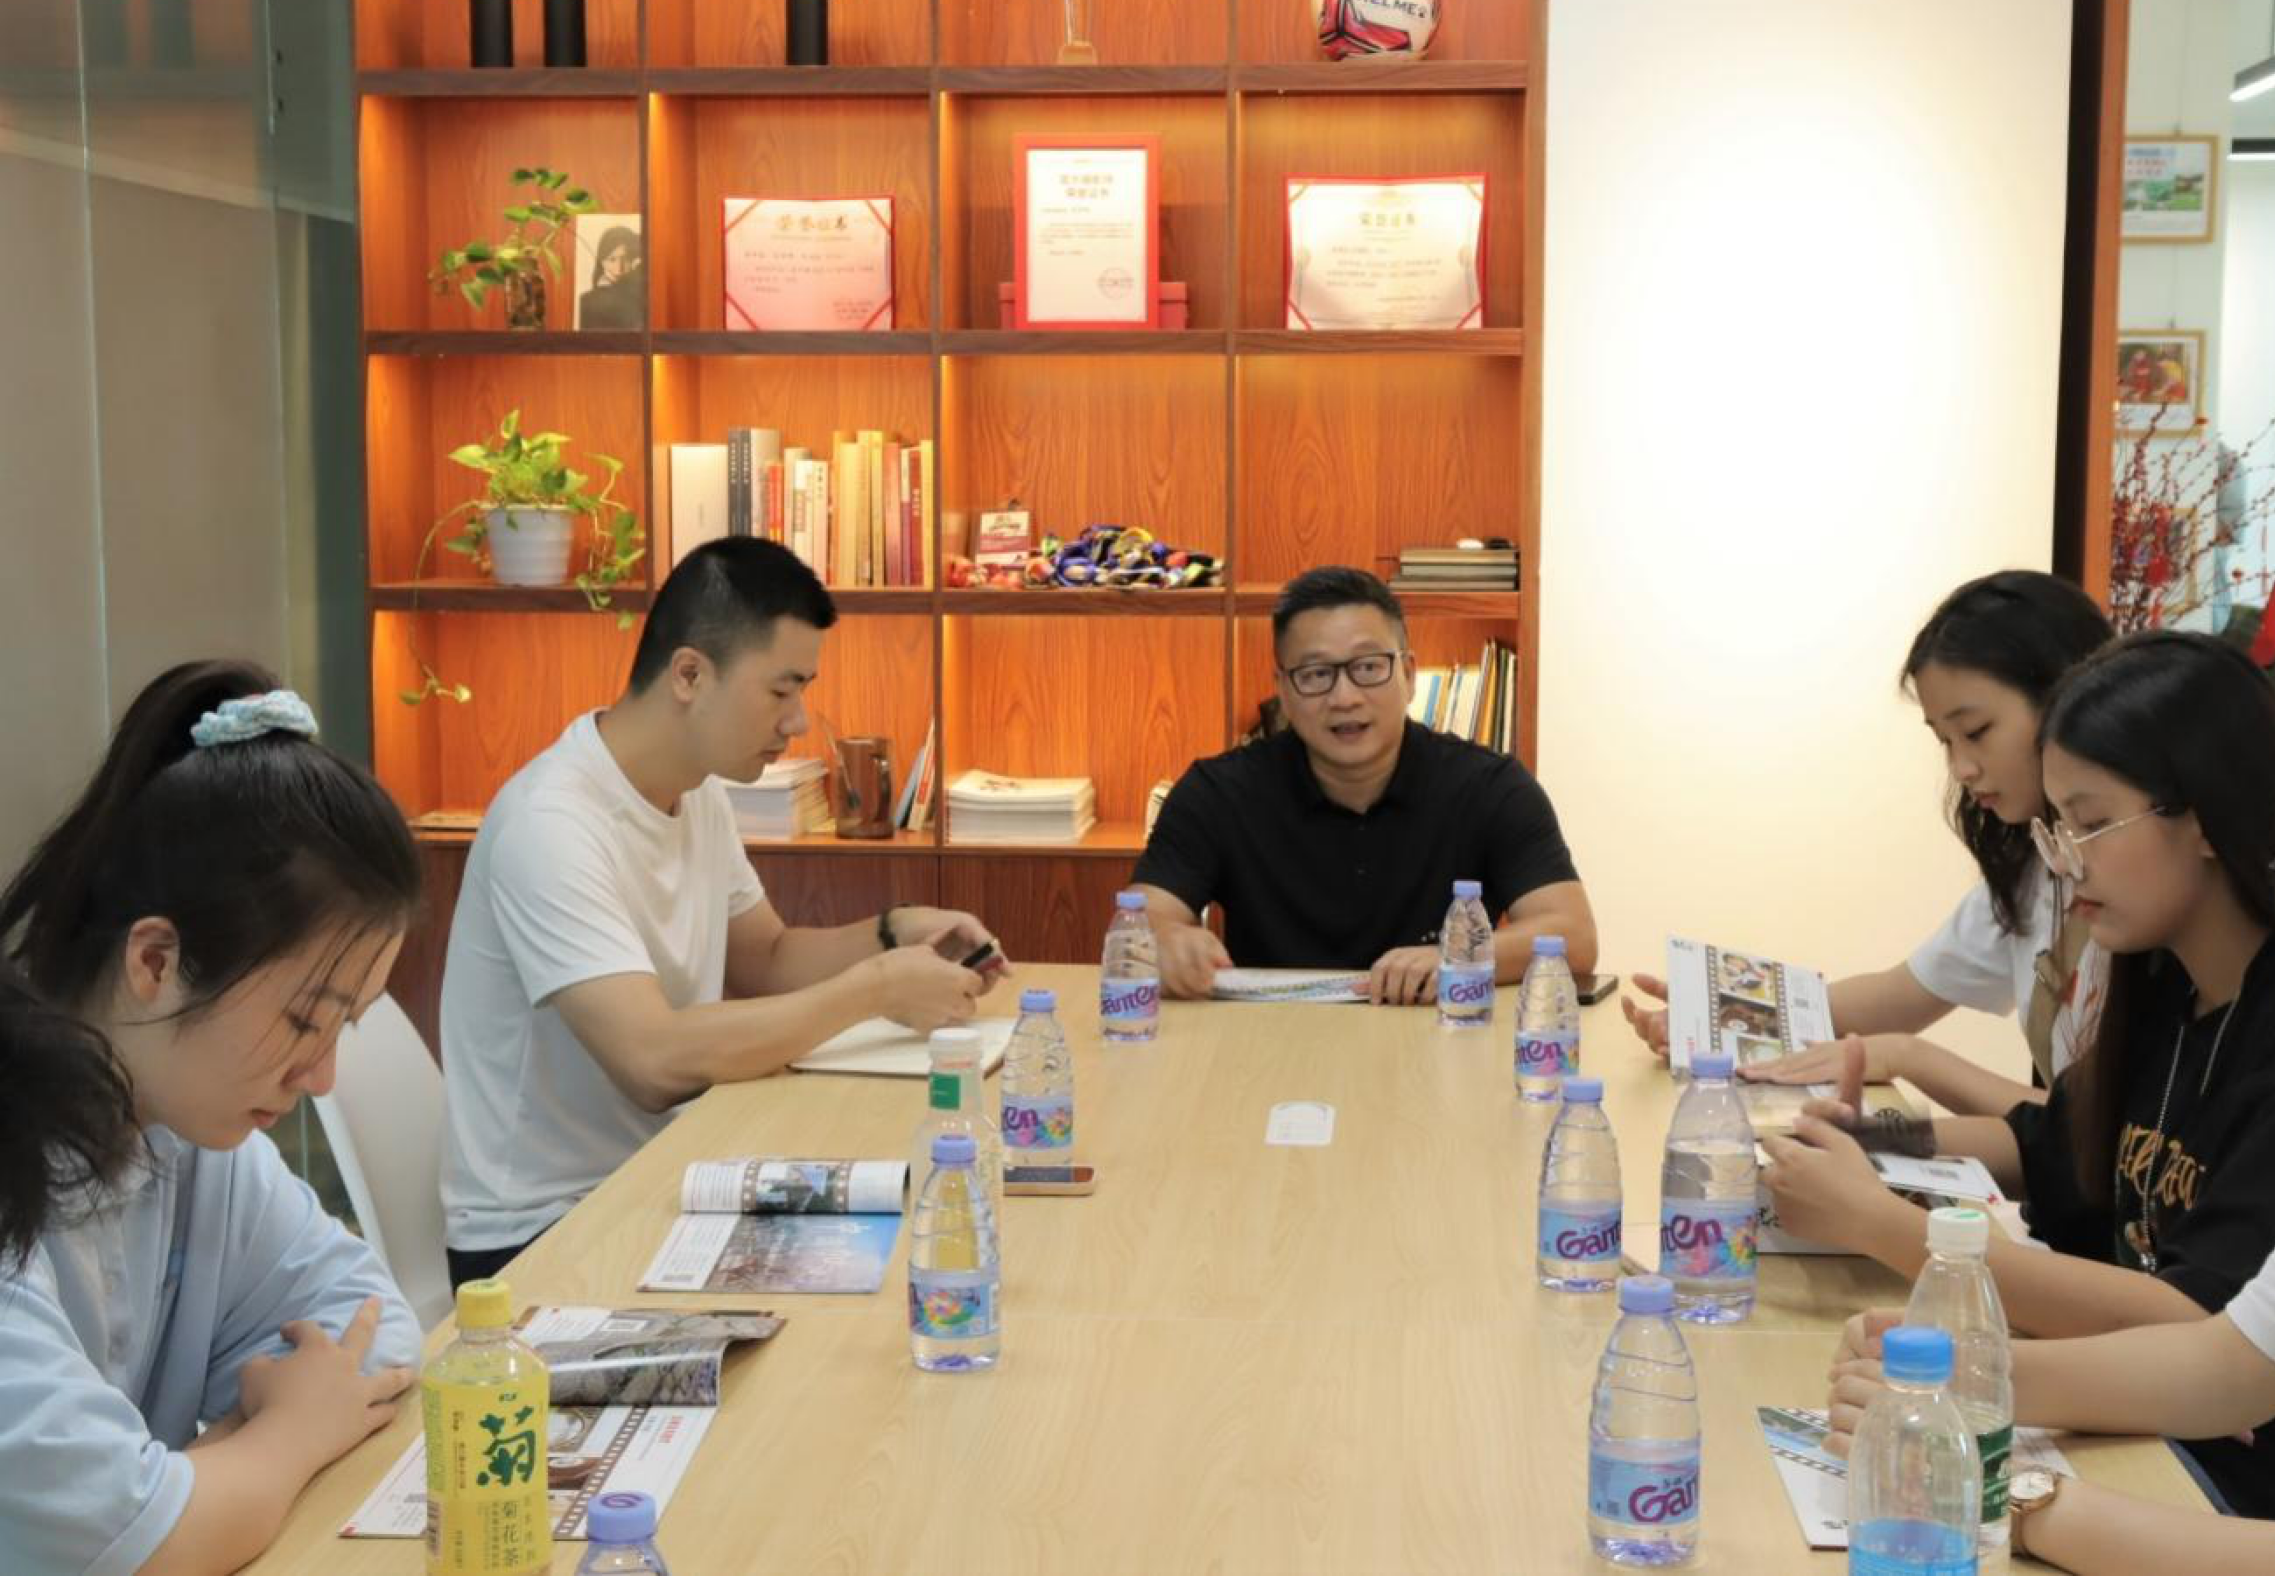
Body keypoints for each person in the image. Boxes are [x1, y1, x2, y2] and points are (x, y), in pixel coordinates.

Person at [1772, 632, 2275, 1526]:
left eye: (2091, 824)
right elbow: (2049, 1141)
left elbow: (2203, 1328)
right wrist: (1868, 1140)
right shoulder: (2168, 985)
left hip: (2235, 1484)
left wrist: (1892, 1232)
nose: (2067, 861)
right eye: (2058, 828)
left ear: (2204, 817)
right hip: (2151, 1435)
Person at [440, 536, 1004, 1285]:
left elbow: (767, 959)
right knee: (898, 1270)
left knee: (922, 1232)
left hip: (667, 1175)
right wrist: (876, 989)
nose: (798, 721)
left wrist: (893, 932)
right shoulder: (550, 823)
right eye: (781, 691)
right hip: (542, 1234)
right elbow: (652, 1061)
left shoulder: (696, 792)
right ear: (689, 674)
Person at [0, 662, 423, 1575]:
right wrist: (279, 1442)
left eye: (344, 1027)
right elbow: (142, 1547)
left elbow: (373, 1327)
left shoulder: (185, 1130)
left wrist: (196, 1486)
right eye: (305, 1020)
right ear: (155, 961)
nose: (321, 1075)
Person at [1623, 570, 2114, 1113]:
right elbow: (1900, 994)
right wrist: (1724, 1017)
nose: (1962, 768)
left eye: (1976, 732)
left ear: (2068, 699)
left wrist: (1907, 1058)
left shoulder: (2135, 885)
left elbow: (2105, 1134)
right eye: (1944, 741)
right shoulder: (2033, 869)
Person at [1130, 565, 1595, 1004]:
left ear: (1408, 675)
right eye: (1316, 674)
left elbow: (1573, 936)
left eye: (1368, 667)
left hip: (1438, 1037)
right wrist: (1167, 940)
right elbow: (1142, 922)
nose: (1345, 697)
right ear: (1284, 691)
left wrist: (1460, 959)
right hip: (1270, 1040)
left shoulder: (1491, 787)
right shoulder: (1218, 792)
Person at [576, 223, 644, 331]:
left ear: (634, 260)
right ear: (602, 261)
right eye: (612, 259)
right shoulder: (586, 301)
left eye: (625, 259)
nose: (619, 268)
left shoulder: (639, 296)